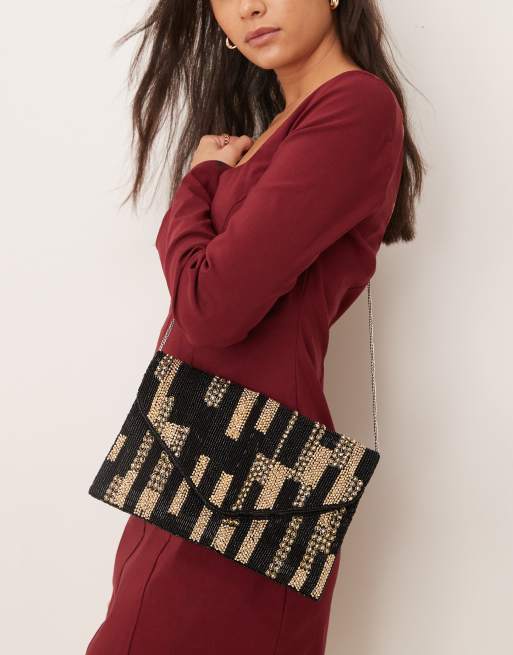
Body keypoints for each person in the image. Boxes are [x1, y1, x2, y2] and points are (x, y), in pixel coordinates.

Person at [85, 0, 424, 653]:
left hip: (249, 480)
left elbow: (211, 305)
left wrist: (198, 184)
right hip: (186, 455)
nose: (250, 7)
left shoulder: (355, 106)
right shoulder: (280, 127)